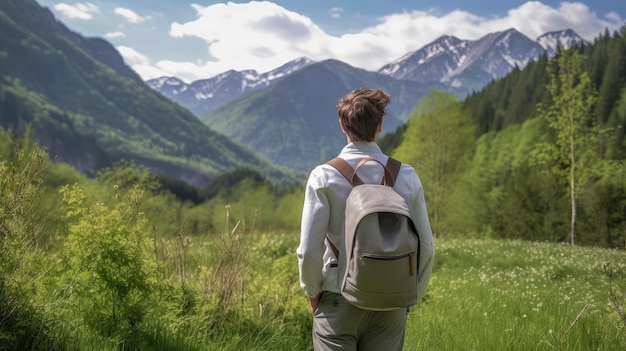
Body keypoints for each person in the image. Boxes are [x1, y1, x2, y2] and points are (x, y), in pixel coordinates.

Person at [297, 87, 435, 351]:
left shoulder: (323, 176)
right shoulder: (407, 175)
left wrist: (313, 293)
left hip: (337, 297)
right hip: (391, 304)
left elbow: (308, 250)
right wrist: (410, 294)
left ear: (342, 125)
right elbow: (426, 248)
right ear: (380, 125)